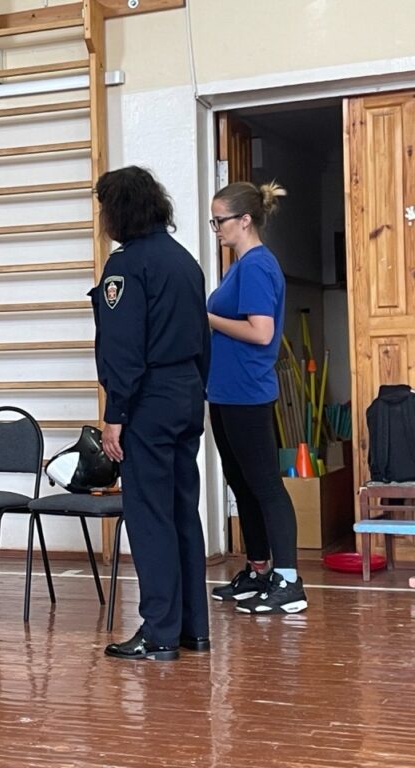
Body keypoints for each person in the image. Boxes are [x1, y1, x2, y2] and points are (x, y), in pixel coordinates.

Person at [90, 166, 211, 661]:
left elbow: (124, 349)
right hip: (186, 393)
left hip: (147, 400)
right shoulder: (185, 261)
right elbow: (202, 338)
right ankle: (192, 629)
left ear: (117, 210)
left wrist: (115, 413)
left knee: (149, 515)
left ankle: (159, 632)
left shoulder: (126, 267)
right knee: (184, 510)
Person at [207, 181, 307, 614]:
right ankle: (259, 569)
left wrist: (205, 317)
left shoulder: (257, 267)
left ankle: (288, 579)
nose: (216, 228)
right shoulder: (237, 266)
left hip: (248, 392)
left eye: (220, 220)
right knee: (241, 482)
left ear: (244, 220)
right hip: (225, 391)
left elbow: (261, 331)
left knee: (264, 483)